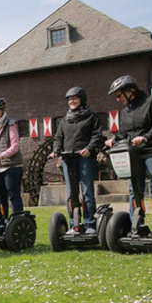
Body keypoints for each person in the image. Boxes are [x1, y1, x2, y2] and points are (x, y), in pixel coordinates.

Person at [106, 75, 152, 221]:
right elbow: (124, 133)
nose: (117, 99)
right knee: (134, 190)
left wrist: (146, 137)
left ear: (130, 91)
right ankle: (136, 223)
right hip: (134, 154)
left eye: (118, 95)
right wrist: (114, 139)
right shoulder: (125, 112)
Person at [49, 87, 105, 234]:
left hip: (85, 158)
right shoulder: (65, 119)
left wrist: (90, 149)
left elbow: (97, 135)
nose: (71, 102)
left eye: (74, 98)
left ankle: (90, 224)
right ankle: (75, 224)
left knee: (87, 191)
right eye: (69, 99)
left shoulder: (91, 116)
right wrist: (56, 150)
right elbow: (58, 137)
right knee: (71, 194)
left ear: (82, 100)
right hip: (69, 158)